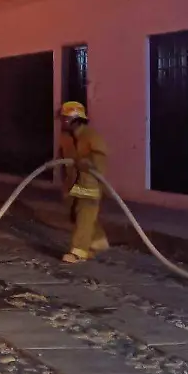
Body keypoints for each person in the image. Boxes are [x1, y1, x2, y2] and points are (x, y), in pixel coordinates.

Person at [57, 101, 110, 264]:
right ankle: (97, 241)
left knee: (84, 215)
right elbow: (62, 158)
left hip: (89, 183)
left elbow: (100, 157)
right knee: (75, 214)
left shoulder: (90, 135)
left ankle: (78, 252)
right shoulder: (66, 138)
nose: (62, 122)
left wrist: (88, 162)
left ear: (75, 119)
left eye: (65, 119)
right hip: (73, 183)